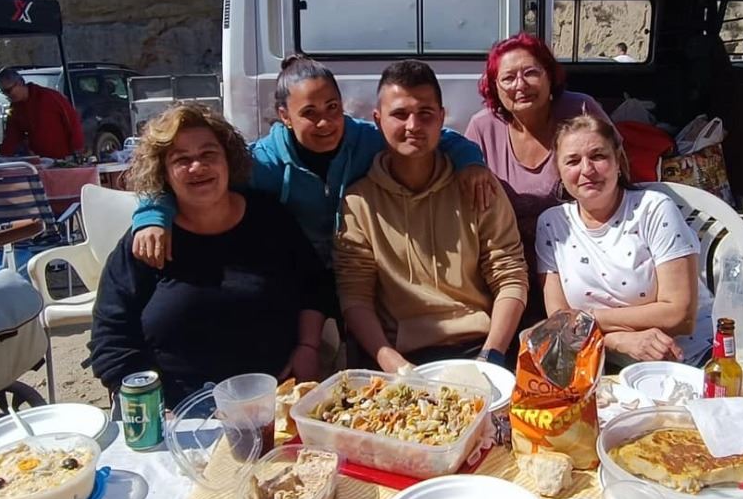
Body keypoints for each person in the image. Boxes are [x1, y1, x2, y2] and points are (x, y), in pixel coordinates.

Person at [132, 55, 494, 269]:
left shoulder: (366, 140)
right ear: (284, 116)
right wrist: (152, 216)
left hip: (362, 271)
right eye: (310, 113)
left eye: (332, 108)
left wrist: (471, 162)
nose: (325, 123)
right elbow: (195, 181)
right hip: (297, 274)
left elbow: (435, 139)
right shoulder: (263, 162)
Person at [88, 104, 334, 408]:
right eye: (181, 159)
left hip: (272, 403)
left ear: (228, 160)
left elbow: (315, 287)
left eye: (208, 154)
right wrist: (153, 410)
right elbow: (111, 338)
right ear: (163, 172)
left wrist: (308, 346)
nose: (197, 167)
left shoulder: (270, 220)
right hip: (177, 412)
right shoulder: (147, 241)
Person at [334, 60, 528, 372]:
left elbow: (510, 274)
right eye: (399, 114)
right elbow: (355, 294)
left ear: (441, 118)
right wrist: (394, 365)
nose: (413, 125)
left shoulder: (477, 186)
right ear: (377, 119)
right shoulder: (359, 202)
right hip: (399, 357)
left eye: (425, 114)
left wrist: (491, 356)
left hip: (479, 347)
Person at [536, 113, 713, 367]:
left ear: (618, 161)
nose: (587, 169)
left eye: (598, 156)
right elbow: (560, 323)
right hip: (599, 361)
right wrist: (618, 341)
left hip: (686, 360)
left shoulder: (654, 209)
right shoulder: (551, 225)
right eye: (573, 161)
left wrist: (589, 318)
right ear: (560, 172)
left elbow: (680, 315)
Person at [465, 32, 614, 325]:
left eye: (531, 73)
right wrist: (468, 164)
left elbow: (615, 169)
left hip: (580, 269)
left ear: (550, 77)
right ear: (495, 87)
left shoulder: (580, 110)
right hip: (508, 270)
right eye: (508, 78)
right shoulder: (482, 127)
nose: (520, 85)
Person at [0, 67, 84, 159]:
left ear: (20, 83)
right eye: (3, 92)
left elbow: (72, 121)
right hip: (40, 160)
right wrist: (2, 157)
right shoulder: (15, 107)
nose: (7, 95)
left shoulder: (49, 97)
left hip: (64, 157)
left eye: (8, 90)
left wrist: (77, 149)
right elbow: (12, 136)